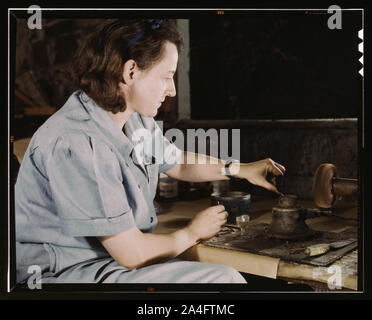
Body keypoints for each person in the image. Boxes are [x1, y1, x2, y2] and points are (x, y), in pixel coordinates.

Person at [15, 19, 285, 284]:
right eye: (166, 76)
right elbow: (132, 254)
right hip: (70, 271)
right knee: (222, 279)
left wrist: (240, 169)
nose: (172, 90)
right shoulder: (78, 142)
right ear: (130, 71)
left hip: (111, 261)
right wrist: (192, 233)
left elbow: (176, 162)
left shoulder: (131, 116)